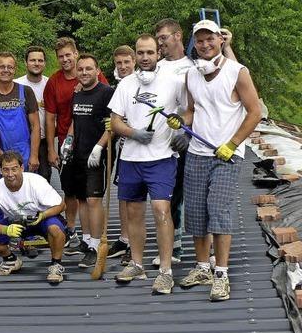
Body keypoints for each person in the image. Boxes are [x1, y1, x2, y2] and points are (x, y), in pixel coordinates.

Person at [168, 20, 260, 301]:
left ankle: (221, 274)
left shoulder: (237, 73)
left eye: (210, 39)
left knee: (219, 211)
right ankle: (202, 267)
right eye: (200, 41)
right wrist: (181, 120)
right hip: (197, 152)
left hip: (227, 155)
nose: (205, 45)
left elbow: (255, 113)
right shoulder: (192, 75)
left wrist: (232, 145)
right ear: (194, 43)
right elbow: (193, 111)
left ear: (221, 40)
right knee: (196, 213)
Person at [108, 34, 185, 295]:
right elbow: (115, 122)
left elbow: (189, 110)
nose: (144, 57)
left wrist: (182, 129)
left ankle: (165, 271)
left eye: (150, 53)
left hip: (162, 158)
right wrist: (133, 133)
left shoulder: (173, 82)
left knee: (162, 210)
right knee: (134, 213)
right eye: (140, 53)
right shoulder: (126, 84)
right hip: (131, 158)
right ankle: (137, 264)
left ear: (158, 54)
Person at [44, 37, 109, 253]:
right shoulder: (55, 82)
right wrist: (56, 147)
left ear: (75, 53)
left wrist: (102, 145)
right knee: (73, 191)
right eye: (60, 56)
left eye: (68, 55)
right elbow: (51, 116)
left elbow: (110, 112)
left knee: (92, 197)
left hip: (94, 144)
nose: (65, 60)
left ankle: (94, 240)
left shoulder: (98, 82)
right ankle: (75, 231)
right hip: (69, 142)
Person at [0, 151, 67, 284]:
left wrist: (43, 215)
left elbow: (61, 205)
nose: (10, 174)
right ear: (1, 171)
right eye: (6, 170)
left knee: (56, 229)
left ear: (22, 168)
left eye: (14, 169)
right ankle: (11, 259)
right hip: (15, 223)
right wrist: (5, 230)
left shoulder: (36, 182)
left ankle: (56, 264)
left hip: (40, 219)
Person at [62, 54, 114, 268]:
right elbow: (75, 120)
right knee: (81, 198)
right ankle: (85, 240)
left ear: (97, 70)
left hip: (96, 156)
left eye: (88, 69)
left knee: (93, 200)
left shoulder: (106, 93)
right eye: (80, 69)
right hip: (78, 154)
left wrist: (99, 147)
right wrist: (68, 139)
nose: (84, 73)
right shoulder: (77, 94)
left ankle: (95, 245)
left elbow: (113, 125)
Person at [151, 18, 195, 267]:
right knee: (168, 193)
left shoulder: (193, 66)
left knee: (197, 194)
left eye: (164, 38)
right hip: (161, 141)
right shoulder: (156, 68)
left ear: (178, 36)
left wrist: (187, 133)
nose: (160, 43)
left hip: (188, 140)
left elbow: (200, 104)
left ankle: (207, 246)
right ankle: (173, 246)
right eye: (158, 39)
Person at [0, 52, 40, 184]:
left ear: (15, 70)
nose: (6, 70)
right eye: (2, 67)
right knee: (1, 196)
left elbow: (35, 126)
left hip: (24, 154)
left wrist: (34, 155)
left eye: (10, 67)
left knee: (26, 195)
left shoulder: (26, 91)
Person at [107, 45, 136, 265]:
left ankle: (135, 244)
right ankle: (124, 239)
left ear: (134, 61)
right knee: (124, 196)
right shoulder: (119, 84)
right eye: (119, 63)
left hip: (146, 148)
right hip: (124, 148)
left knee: (141, 200)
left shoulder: (141, 82)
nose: (123, 66)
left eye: (127, 62)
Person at [14, 46, 50, 181]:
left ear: (45, 63)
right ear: (25, 62)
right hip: (19, 140)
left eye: (40, 60)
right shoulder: (16, 84)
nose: (36, 63)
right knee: (19, 178)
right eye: (32, 60)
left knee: (43, 179)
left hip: (43, 140)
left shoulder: (50, 84)